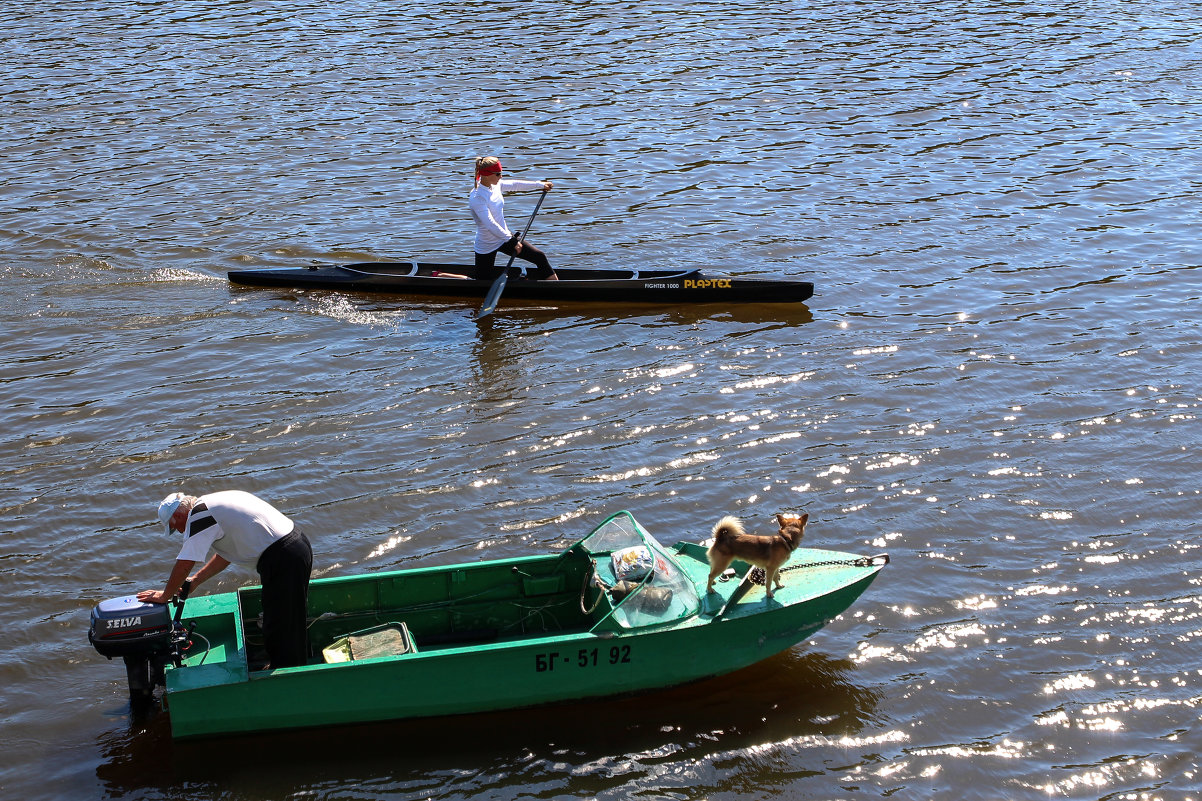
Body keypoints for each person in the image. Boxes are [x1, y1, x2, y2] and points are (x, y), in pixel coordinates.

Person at [138, 490, 313, 669]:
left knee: (281, 623)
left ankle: (287, 675)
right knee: (285, 617)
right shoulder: (212, 506)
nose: (181, 531)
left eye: (176, 527)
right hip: (293, 548)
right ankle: (289, 662)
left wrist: (164, 596)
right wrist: (197, 580)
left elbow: (184, 563)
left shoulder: (199, 515)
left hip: (284, 556)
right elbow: (225, 555)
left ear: (178, 514)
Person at [469, 156, 557, 281]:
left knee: (539, 257)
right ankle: (443, 276)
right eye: (498, 174)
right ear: (487, 175)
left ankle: (555, 287)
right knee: (481, 281)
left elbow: (516, 185)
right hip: (487, 243)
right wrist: (511, 241)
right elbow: (490, 223)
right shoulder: (477, 197)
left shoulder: (495, 185)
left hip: (503, 237)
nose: (501, 177)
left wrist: (540, 185)